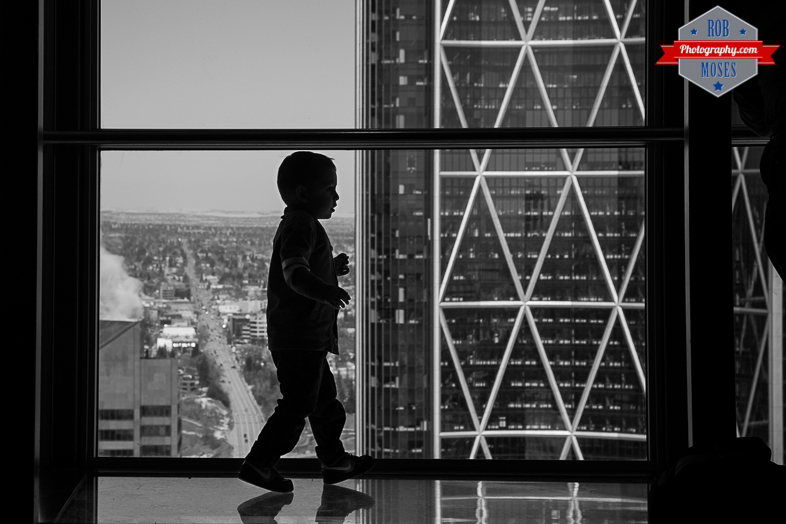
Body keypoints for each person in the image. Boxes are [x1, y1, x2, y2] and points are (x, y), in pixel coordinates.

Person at [238, 151, 374, 493]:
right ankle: (260, 462)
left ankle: (335, 461)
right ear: (302, 193)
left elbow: (306, 264)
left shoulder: (301, 224)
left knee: (324, 402)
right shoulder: (301, 223)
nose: (336, 196)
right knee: (299, 404)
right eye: (329, 188)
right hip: (300, 337)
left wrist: (331, 267)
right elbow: (295, 273)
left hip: (304, 338)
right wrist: (326, 290)